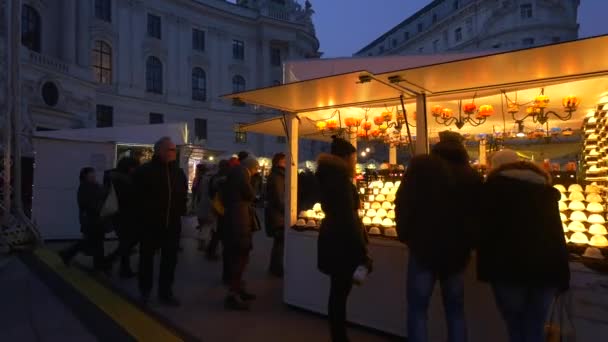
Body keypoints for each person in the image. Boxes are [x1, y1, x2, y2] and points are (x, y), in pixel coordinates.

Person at [395, 138, 482, 342]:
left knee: (417, 309)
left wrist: (406, 235)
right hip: (457, 252)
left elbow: (403, 202)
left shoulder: (420, 169)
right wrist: (471, 242)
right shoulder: (471, 175)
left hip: (423, 248)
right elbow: (479, 213)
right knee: (455, 309)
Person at [479, 150, 570, 342]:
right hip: (546, 268)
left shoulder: (491, 191)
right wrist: (563, 275)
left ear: (495, 167)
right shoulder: (545, 192)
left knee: (515, 324)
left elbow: (484, 232)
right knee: (535, 326)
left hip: (508, 268)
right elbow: (556, 234)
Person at [316, 136, 370, 342]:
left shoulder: (330, 177)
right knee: (339, 294)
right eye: (353, 158)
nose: (355, 162)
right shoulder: (340, 182)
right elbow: (348, 220)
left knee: (337, 293)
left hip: (332, 239)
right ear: (346, 158)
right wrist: (362, 251)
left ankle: (338, 336)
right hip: (342, 243)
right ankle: (339, 338)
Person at [134, 137, 188, 306]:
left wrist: (181, 211)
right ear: (159, 151)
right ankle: (145, 291)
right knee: (146, 260)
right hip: (150, 225)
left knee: (170, 261)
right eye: (169, 149)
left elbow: (182, 195)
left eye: (174, 150)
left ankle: (165, 292)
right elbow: (135, 198)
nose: (173, 153)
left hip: (172, 225)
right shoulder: (144, 171)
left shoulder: (178, 173)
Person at [222, 156, 260, 310]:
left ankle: (238, 290)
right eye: (256, 170)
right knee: (240, 257)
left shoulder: (235, 172)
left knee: (239, 257)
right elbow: (249, 194)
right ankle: (233, 295)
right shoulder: (241, 173)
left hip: (236, 219)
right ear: (252, 167)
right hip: (239, 221)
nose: (256, 173)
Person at [59, 167, 108, 271]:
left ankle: (68, 254)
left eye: (93, 175)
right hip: (92, 220)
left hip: (95, 219)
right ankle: (68, 253)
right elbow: (91, 204)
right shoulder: (86, 187)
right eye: (91, 175)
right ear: (85, 177)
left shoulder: (94, 186)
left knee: (95, 242)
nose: (93, 177)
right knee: (95, 242)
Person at [103, 157, 140, 278]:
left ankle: (118, 265)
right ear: (129, 168)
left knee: (126, 242)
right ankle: (118, 265)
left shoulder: (111, 176)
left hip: (117, 215)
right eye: (134, 167)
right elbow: (129, 198)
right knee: (128, 241)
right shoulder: (124, 180)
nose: (136, 170)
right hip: (125, 215)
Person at [265, 152, 286, 277]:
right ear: (280, 162)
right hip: (278, 215)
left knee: (279, 242)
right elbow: (279, 198)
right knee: (280, 242)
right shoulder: (277, 176)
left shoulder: (278, 175)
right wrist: (287, 212)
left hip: (277, 214)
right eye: (285, 160)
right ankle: (276, 268)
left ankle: (275, 267)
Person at [207, 160, 230, 263]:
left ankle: (211, 250)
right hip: (222, 207)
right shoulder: (226, 178)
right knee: (220, 231)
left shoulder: (215, 177)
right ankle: (212, 251)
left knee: (217, 230)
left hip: (216, 206)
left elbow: (210, 192)